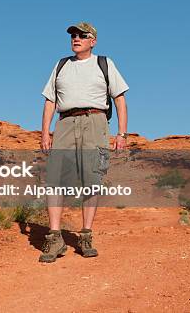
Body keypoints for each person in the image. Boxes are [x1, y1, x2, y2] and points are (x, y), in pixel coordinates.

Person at [38, 22, 129, 263]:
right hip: (65, 123)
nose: (76, 39)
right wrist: (45, 132)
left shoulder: (105, 64)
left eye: (82, 35)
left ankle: (85, 235)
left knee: (92, 179)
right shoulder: (61, 65)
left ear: (93, 41)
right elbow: (50, 101)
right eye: (73, 36)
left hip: (96, 122)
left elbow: (119, 99)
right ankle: (55, 237)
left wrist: (122, 133)